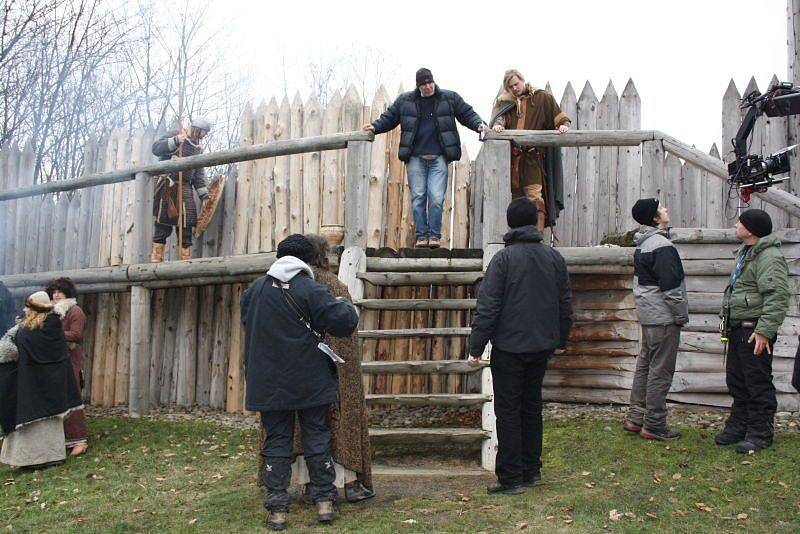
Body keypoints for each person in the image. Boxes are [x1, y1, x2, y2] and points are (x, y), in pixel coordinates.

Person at [242, 234, 359, 530]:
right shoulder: (310, 288)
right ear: (307, 259)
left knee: (277, 441)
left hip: (268, 381)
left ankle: (278, 509)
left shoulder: (255, 290)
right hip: (310, 378)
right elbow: (344, 322)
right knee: (317, 438)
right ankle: (323, 502)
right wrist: (344, 305)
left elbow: (250, 324)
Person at [468, 197, 573, 495]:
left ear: (510, 223)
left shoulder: (503, 260)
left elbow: (488, 307)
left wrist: (476, 346)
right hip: (541, 346)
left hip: (510, 348)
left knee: (509, 410)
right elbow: (565, 303)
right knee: (531, 407)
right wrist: (561, 339)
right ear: (536, 223)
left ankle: (512, 477)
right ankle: (531, 470)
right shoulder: (553, 258)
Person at [363, 68, 488, 249]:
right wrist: (374, 126)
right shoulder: (405, 101)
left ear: (434, 81)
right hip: (415, 157)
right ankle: (422, 237)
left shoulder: (449, 98)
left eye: (430, 83)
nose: (428, 87)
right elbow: (389, 118)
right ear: (418, 85)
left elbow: (467, 113)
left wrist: (479, 125)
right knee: (418, 197)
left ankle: (434, 236)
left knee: (436, 197)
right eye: (424, 84)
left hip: (438, 157)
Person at [717, 209, 789, 453]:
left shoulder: (769, 257)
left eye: (740, 222)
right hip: (738, 326)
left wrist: (764, 331)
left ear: (751, 230)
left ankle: (760, 433)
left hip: (754, 329)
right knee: (737, 381)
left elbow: (777, 296)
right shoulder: (746, 253)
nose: (736, 225)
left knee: (757, 382)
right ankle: (739, 425)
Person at [623, 198, 688, 441]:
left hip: (649, 316)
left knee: (645, 367)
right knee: (660, 371)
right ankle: (654, 424)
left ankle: (635, 418)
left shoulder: (644, 244)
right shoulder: (662, 246)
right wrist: (680, 315)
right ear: (654, 218)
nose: (666, 209)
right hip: (663, 318)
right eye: (661, 208)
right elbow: (671, 288)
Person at [0, 291, 83, 469]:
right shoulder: (54, 328)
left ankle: (30, 460)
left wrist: (11, 336)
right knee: (50, 421)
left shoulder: (25, 333)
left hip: (31, 385)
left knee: (33, 423)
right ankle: (53, 456)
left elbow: (10, 353)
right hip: (53, 386)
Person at [489, 69, 570, 232]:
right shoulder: (506, 103)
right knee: (516, 200)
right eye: (510, 86)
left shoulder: (541, 98)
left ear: (522, 80)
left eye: (516, 84)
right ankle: (517, 237)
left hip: (533, 159)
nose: (514, 88)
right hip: (512, 161)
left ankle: (536, 236)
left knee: (535, 197)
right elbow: (500, 118)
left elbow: (560, 118)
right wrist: (498, 125)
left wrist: (563, 125)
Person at [150, 117, 211, 262]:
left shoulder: (197, 149)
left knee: (187, 221)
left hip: (185, 187)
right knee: (163, 221)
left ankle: (185, 259)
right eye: (204, 132)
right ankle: (156, 258)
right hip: (168, 185)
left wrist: (204, 195)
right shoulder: (176, 135)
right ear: (198, 129)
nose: (205, 135)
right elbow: (156, 149)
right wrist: (176, 140)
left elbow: (198, 174)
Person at [46, 277, 88, 456]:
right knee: (54, 400)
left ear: (67, 293)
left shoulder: (75, 311)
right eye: (54, 291)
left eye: (60, 291)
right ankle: (58, 439)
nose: (56, 294)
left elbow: (76, 335)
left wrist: (51, 334)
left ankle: (79, 440)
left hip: (69, 359)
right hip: (52, 359)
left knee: (72, 398)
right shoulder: (49, 311)